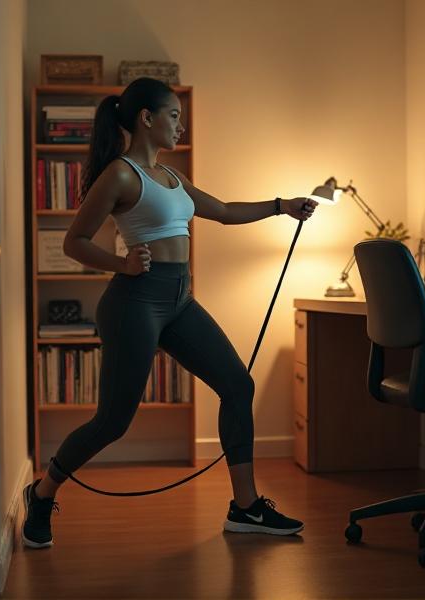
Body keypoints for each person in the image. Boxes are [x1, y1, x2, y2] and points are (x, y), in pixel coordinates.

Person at [22, 77, 318, 548]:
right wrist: (121, 262)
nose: (180, 124)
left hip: (179, 299)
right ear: (147, 118)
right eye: (174, 115)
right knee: (114, 422)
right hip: (134, 303)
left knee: (237, 385)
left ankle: (245, 508)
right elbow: (73, 241)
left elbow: (221, 210)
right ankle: (42, 493)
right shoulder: (121, 174)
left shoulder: (172, 176)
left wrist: (283, 206)